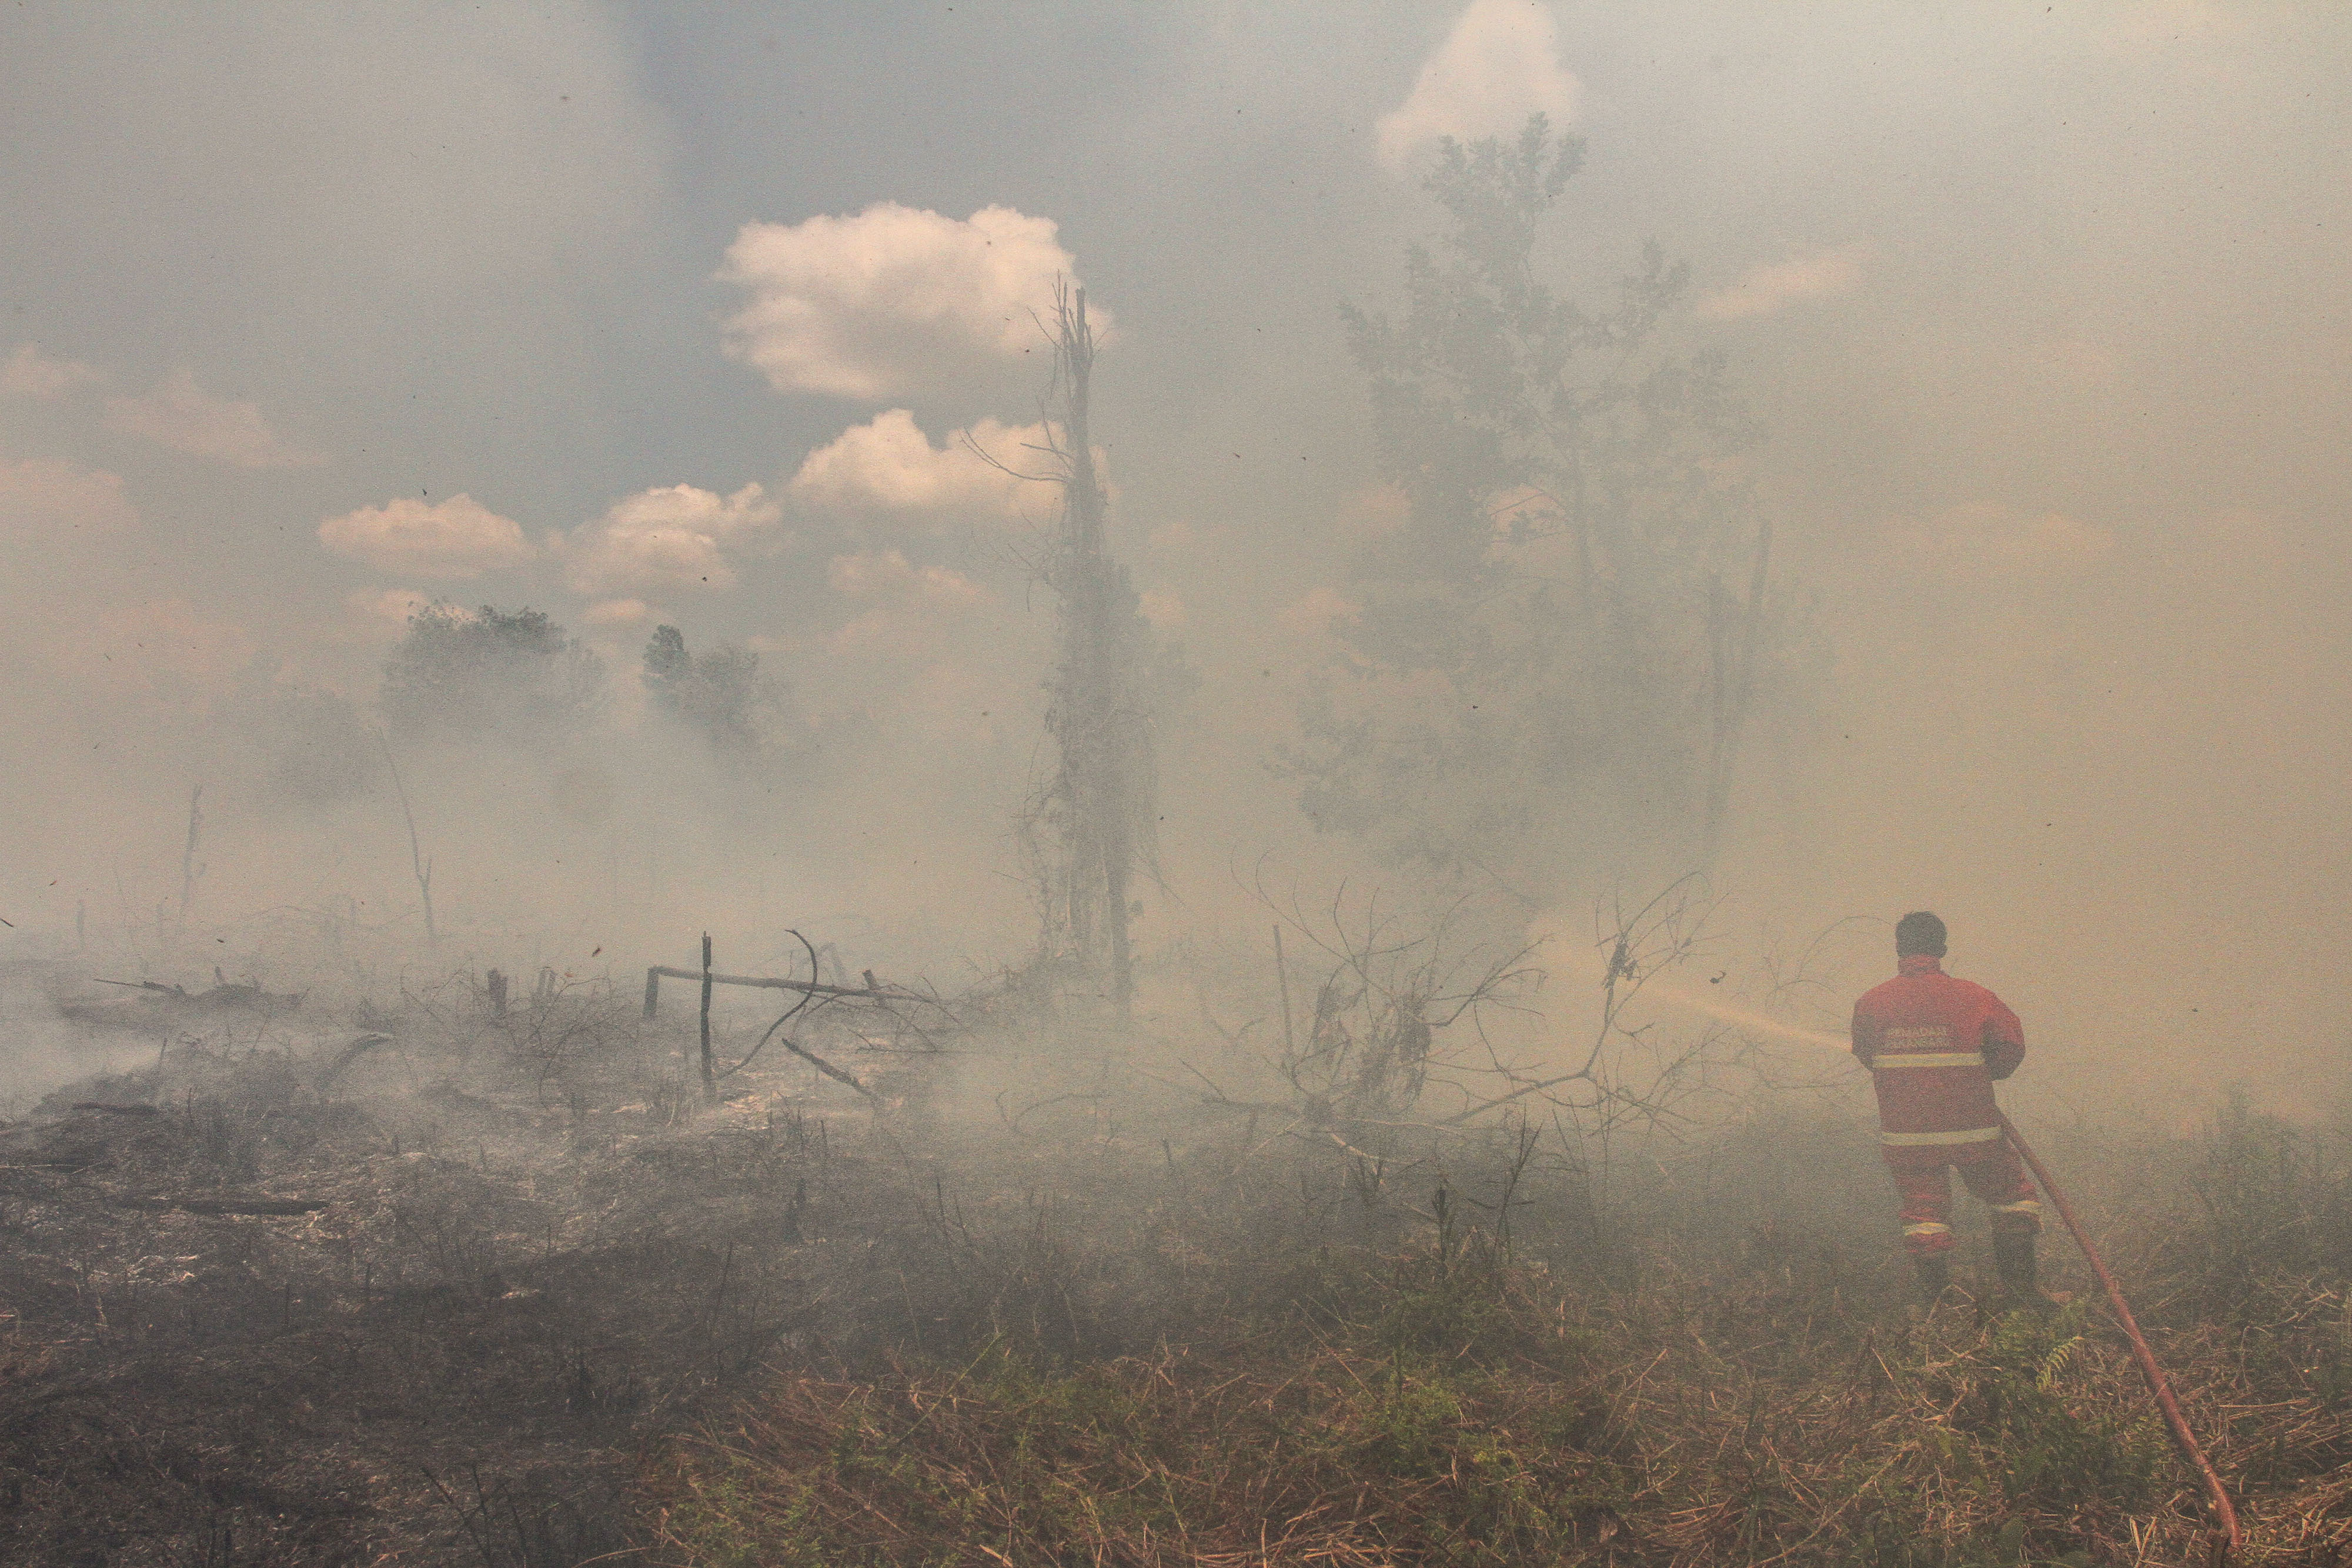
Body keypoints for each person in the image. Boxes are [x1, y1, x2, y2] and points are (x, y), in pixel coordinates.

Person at [1851, 911, 2044, 1303]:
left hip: (1908, 1136)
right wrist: (1977, 1072)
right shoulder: (1977, 997)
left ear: (1899, 948)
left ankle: (1941, 1308)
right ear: (1941, 948)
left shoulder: (1871, 1003)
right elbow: (2010, 1049)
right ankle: (2023, 1295)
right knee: (2012, 1197)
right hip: (1973, 1128)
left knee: (1924, 1217)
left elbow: (1867, 1055)